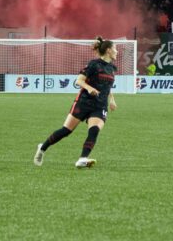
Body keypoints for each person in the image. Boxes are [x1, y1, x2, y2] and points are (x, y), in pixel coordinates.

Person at [34, 36, 118, 169]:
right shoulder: (94, 64)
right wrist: (89, 88)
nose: (116, 51)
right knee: (66, 130)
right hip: (84, 102)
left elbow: (107, 86)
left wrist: (112, 99)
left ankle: (82, 159)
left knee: (94, 130)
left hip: (100, 105)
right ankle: (42, 148)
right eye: (115, 48)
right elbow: (79, 80)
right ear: (108, 50)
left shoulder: (112, 68)